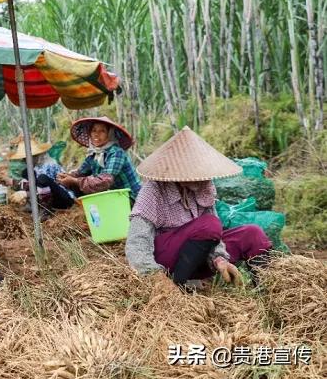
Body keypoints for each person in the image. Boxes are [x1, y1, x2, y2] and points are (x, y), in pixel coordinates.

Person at [125, 127, 272, 290]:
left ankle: (267, 291)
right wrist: (154, 276)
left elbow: (214, 236)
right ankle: (177, 286)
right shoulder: (154, 190)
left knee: (253, 234)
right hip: (165, 259)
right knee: (210, 224)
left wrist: (219, 258)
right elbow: (137, 241)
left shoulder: (204, 187)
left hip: (198, 255)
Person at [57, 116, 141, 204]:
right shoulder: (94, 154)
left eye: (102, 131)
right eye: (94, 130)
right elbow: (80, 172)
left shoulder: (116, 153)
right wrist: (67, 176)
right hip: (114, 196)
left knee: (83, 185)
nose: (96, 134)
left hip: (131, 197)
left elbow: (104, 182)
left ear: (110, 134)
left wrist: (73, 181)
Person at [7, 139, 76, 217]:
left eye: (26, 158)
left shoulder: (48, 165)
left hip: (63, 199)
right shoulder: (34, 168)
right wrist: (13, 183)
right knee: (26, 173)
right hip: (50, 198)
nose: (24, 160)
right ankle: (33, 206)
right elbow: (31, 185)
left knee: (42, 179)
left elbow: (45, 188)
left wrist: (26, 194)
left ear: (35, 156)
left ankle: (46, 212)